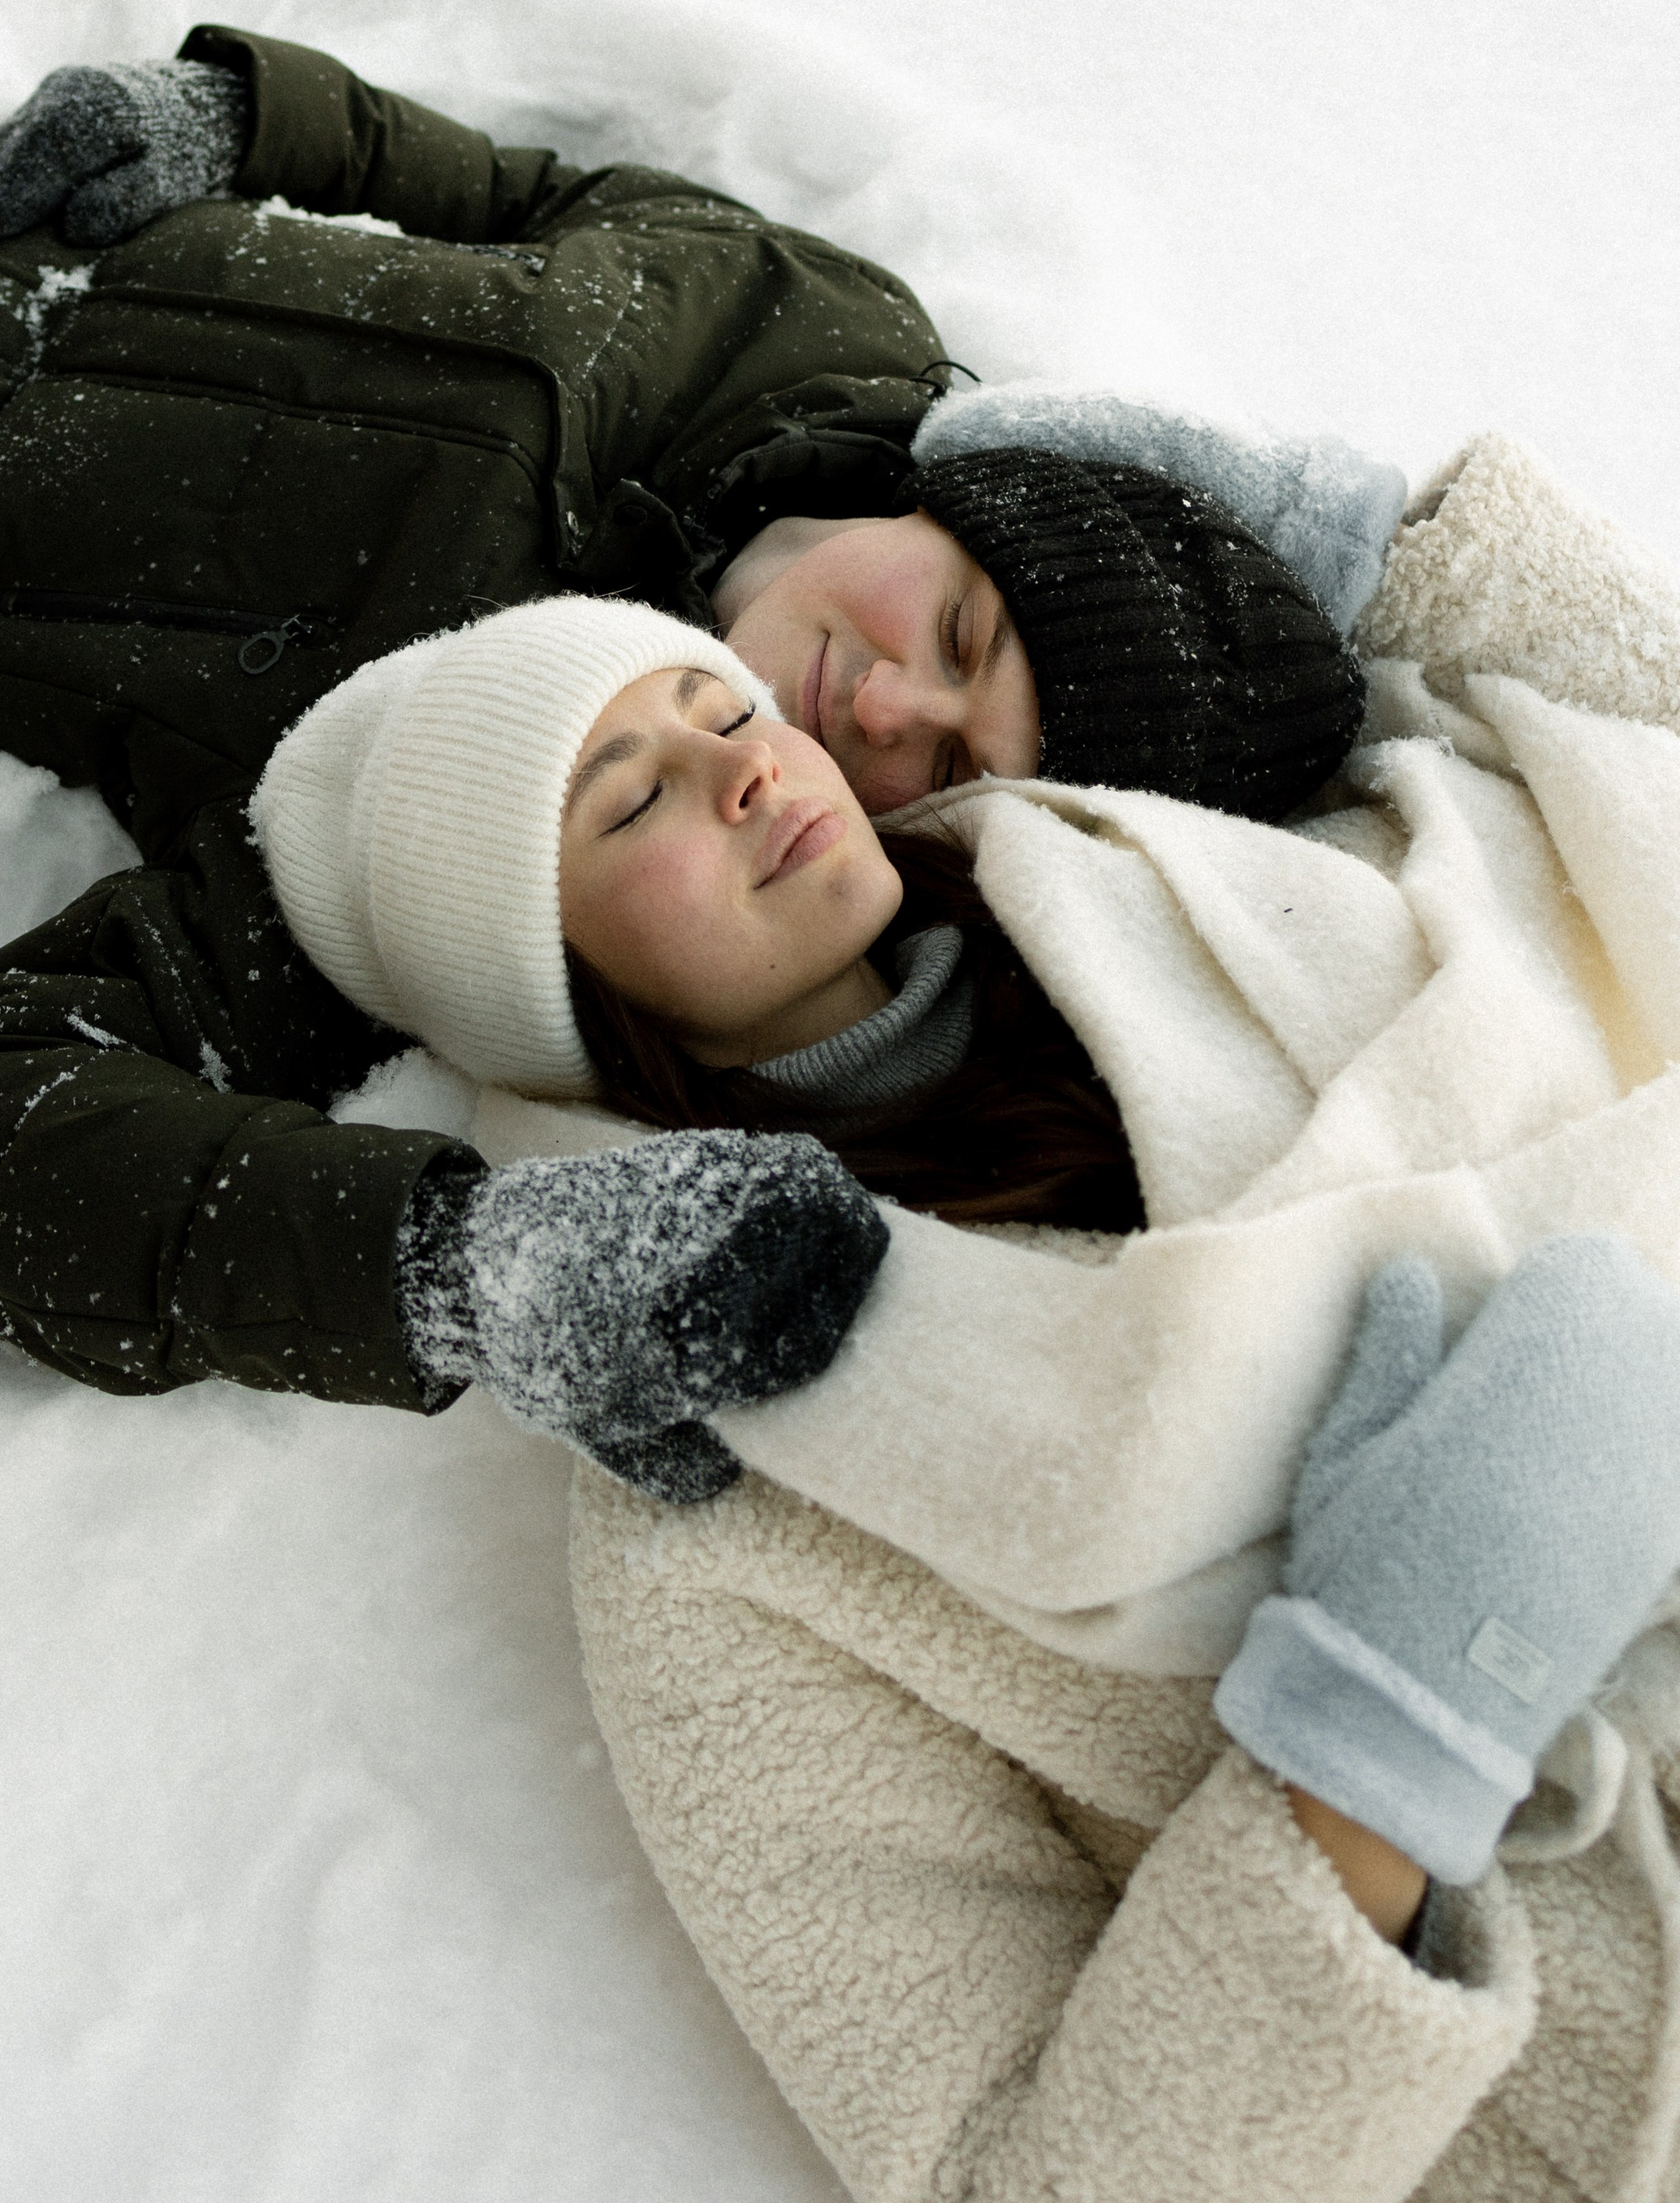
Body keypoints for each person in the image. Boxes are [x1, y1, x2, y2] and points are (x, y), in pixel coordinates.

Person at [0, 0, 1367, 1468]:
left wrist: (451, 1268)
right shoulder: (820, 331)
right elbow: (531, 192)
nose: (882, 710)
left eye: (958, 771)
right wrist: (241, 122)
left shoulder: (468, 808)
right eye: (961, 629)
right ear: (954, 503)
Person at [254, 535, 1680, 2203]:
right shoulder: (725, 1538)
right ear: (549, 1001)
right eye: (628, 802)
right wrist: (1372, 1758)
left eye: (718, 706)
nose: (738, 768)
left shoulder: (1186, 864)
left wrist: (1397, 523)